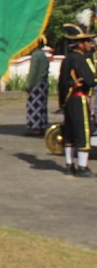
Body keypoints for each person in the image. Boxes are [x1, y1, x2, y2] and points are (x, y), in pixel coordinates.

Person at [59, 17, 96, 177]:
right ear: (80, 43)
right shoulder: (81, 59)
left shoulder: (67, 59)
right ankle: (82, 166)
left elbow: (61, 83)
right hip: (79, 98)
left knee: (70, 132)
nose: (89, 44)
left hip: (68, 100)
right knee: (83, 131)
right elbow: (91, 79)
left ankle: (69, 164)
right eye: (86, 41)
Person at [26, 37, 50, 136]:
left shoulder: (35, 55)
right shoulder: (43, 55)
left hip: (36, 83)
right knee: (42, 106)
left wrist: (28, 85)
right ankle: (42, 125)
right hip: (43, 83)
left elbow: (33, 72)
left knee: (34, 106)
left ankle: (35, 128)